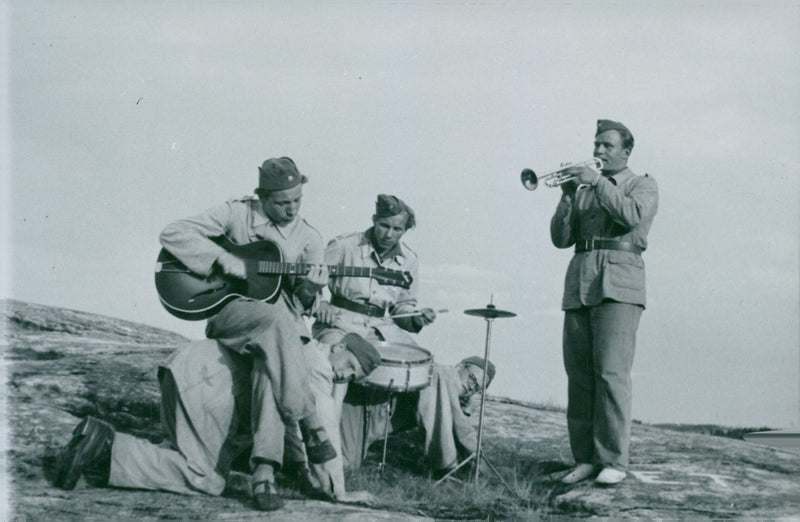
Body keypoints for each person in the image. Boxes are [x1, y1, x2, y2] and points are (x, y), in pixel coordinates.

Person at [157, 156, 334, 503]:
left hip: (279, 327)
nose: (291, 209)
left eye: (298, 200)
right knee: (278, 325)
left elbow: (303, 302)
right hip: (232, 314)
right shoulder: (236, 213)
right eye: (283, 203)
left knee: (272, 357)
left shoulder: (310, 238)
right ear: (262, 197)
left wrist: (312, 290)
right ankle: (311, 422)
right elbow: (173, 233)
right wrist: (222, 259)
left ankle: (264, 473)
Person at [49, 331, 383, 511]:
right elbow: (319, 427)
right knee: (205, 479)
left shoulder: (302, 347)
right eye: (351, 365)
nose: (346, 375)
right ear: (338, 346)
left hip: (186, 368)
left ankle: (95, 449)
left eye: (354, 376)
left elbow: (292, 424)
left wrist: (305, 474)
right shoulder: (316, 362)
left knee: (182, 457)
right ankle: (106, 446)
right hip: (207, 384)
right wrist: (337, 491)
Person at [549, 119, 658, 486]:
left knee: (611, 375)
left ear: (626, 151)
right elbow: (561, 239)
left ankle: (613, 459)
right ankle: (584, 458)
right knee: (579, 376)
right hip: (580, 283)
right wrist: (566, 194)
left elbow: (632, 216)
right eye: (596, 144)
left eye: (607, 146)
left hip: (619, 285)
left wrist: (595, 182)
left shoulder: (642, 184)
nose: (597, 151)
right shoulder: (581, 189)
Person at [312, 193, 437, 347]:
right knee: (339, 358)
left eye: (397, 229)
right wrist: (321, 303)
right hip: (338, 325)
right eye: (384, 226)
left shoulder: (409, 260)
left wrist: (416, 317)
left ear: (405, 230)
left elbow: (402, 305)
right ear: (374, 220)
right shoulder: (344, 245)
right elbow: (311, 278)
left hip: (381, 330)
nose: (389, 235)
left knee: (417, 361)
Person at [338, 356, 496, 476]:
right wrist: (479, 460)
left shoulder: (448, 394)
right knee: (339, 466)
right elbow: (462, 429)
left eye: (477, 388)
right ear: (460, 366)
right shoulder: (444, 374)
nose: (471, 387)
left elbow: (453, 423)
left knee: (345, 466)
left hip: (371, 418)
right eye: (472, 378)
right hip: (362, 405)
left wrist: (466, 410)